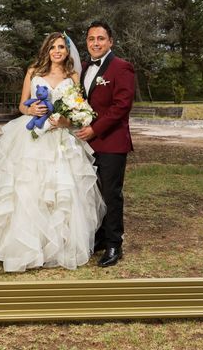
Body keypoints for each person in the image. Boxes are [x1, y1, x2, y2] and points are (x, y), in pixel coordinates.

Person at [0, 32, 105, 272]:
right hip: (32, 137)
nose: (57, 51)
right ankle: (25, 246)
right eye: (53, 47)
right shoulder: (33, 71)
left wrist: (66, 121)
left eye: (62, 47)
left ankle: (59, 245)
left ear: (67, 52)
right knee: (27, 189)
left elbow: (78, 106)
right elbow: (22, 104)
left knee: (62, 191)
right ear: (46, 49)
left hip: (60, 138)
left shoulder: (72, 75)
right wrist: (31, 109)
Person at [75, 21, 135, 267]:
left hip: (111, 142)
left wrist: (94, 129)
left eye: (101, 38)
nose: (96, 43)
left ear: (110, 41)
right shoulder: (84, 67)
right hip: (87, 144)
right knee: (92, 194)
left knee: (111, 194)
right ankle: (100, 237)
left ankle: (114, 245)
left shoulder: (122, 68)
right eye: (91, 39)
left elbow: (121, 107)